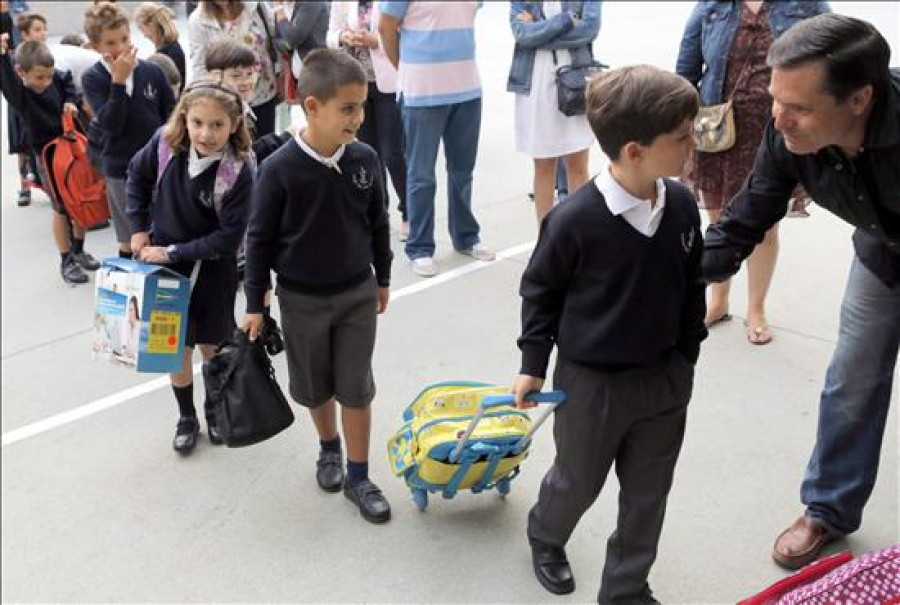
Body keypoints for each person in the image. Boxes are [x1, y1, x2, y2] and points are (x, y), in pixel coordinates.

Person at [701, 14, 899, 570]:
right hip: (882, 253)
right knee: (851, 381)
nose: (779, 118)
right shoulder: (787, 131)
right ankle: (828, 510)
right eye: (775, 98)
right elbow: (744, 221)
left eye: (801, 107)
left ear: (859, 100)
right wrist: (668, 281)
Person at [512, 65, 706, 603]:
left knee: (648, 495)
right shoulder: (574, 220)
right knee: (577, 481)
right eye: (681, 137)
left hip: (664, 380)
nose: (693, 144)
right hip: (592, 384)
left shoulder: (683, 206)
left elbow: (692, 281)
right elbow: (541, 292)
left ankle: (625, 588)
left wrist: (687, 353)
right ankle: (546, 534)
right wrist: (532, 363)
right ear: (635, 150)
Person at [242, 49, 393, 524]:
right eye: (347, 108)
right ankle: (328, 448)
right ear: (311, 107)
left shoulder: (365, 159)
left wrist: (383, 277)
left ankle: (359, 474)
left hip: (356, 295)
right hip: (301, 299)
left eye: (362, 106)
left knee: (357, 386)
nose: (358, 117)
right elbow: (259, 240)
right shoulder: (279, 169)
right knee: (315, 385)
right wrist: (254, 303)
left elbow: (379, 224)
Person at [676, 0, 830, 344]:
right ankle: (718, 300)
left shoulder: (808, 5)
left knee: (763, 224)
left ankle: (756, 308)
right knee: (719, 222)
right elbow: (686, 69)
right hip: (718, 130)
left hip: (777, 131)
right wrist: (678, 124)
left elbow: (834, 61)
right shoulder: (712, 6)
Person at [127, 78, 254, 453]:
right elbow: (136, 176)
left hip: (212, 270)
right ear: (184, 118)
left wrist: (172, 252)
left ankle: (215, 410)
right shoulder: (166, 144)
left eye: (217, 125)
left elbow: (228, 239)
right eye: (197, 122)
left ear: (234, 124)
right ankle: (187, 417)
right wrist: (136, 228)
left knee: (212, 345)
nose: (206, 133)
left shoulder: (237, 170)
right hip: (166, 271)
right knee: (175, 347)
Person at [379, 1, 495, 278]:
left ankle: (466, 236)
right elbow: (385, 28)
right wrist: (406, 68)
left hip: (467, 90)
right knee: (421, 175)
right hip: (422, 93)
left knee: (462, 171)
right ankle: (420, 248)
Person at [0, 37, 102, 285]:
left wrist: (69, 101)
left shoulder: (55, 77)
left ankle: (79, 249)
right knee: (61, 208)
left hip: (71, 147)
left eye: (48, 75)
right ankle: (66, 259)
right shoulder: (21, 95)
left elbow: (66, 80)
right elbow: (7, 81)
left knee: (80, 199)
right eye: (39, 77)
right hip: (47, 156)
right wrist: (3, 56)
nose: (45, 82)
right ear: (21, 72)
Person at [82, 1, 177, 259]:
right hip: (121, 169)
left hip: (158, 165)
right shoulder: (94, 78)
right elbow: (112, 124)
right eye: (111, 43)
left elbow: (171, 114)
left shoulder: (153, 72)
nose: (121, 47)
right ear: (96, 46)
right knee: (131, 238)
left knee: (163, 233)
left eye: (124, 38)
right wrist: (118, 82)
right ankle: (131, 289)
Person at [508, 1, 600, 223]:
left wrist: (540, 29)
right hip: (536, 82)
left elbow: (589, 29)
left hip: (575, 79)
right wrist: (566, 21)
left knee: (578, 162)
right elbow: (522, 34)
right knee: (543, 164)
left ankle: (581, 237)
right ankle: (546, 239)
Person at [328, 0, 408, 239]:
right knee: (368, 154)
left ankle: (409, 211)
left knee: (394, 153)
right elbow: (330, 34)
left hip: (389, 84)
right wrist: (344, 36)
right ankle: (378, 212)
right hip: (356, 86)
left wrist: (377, 41)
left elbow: (407, 33)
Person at [188, 1, 280, 136]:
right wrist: (206, 99)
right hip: (227, 102)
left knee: (266, 145)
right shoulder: (199, 20)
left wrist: (282, 74)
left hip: (263, 92)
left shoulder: (254, 6)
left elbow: (275, 40)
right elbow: (199, 66)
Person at [6, 12, 46, 207]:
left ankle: (44, 180)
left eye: (44, 29)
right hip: (21, 106)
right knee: (22, 147)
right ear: (25, 34)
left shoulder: (45, 52)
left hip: (40, 104)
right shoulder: (18, 55)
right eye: (37, 30)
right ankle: (24, 187)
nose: (43, 33)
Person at [134, 2, 186, 87]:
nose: (144, 35)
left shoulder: (167, 53)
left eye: (141, 28)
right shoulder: (172, 47)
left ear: (150, 25)